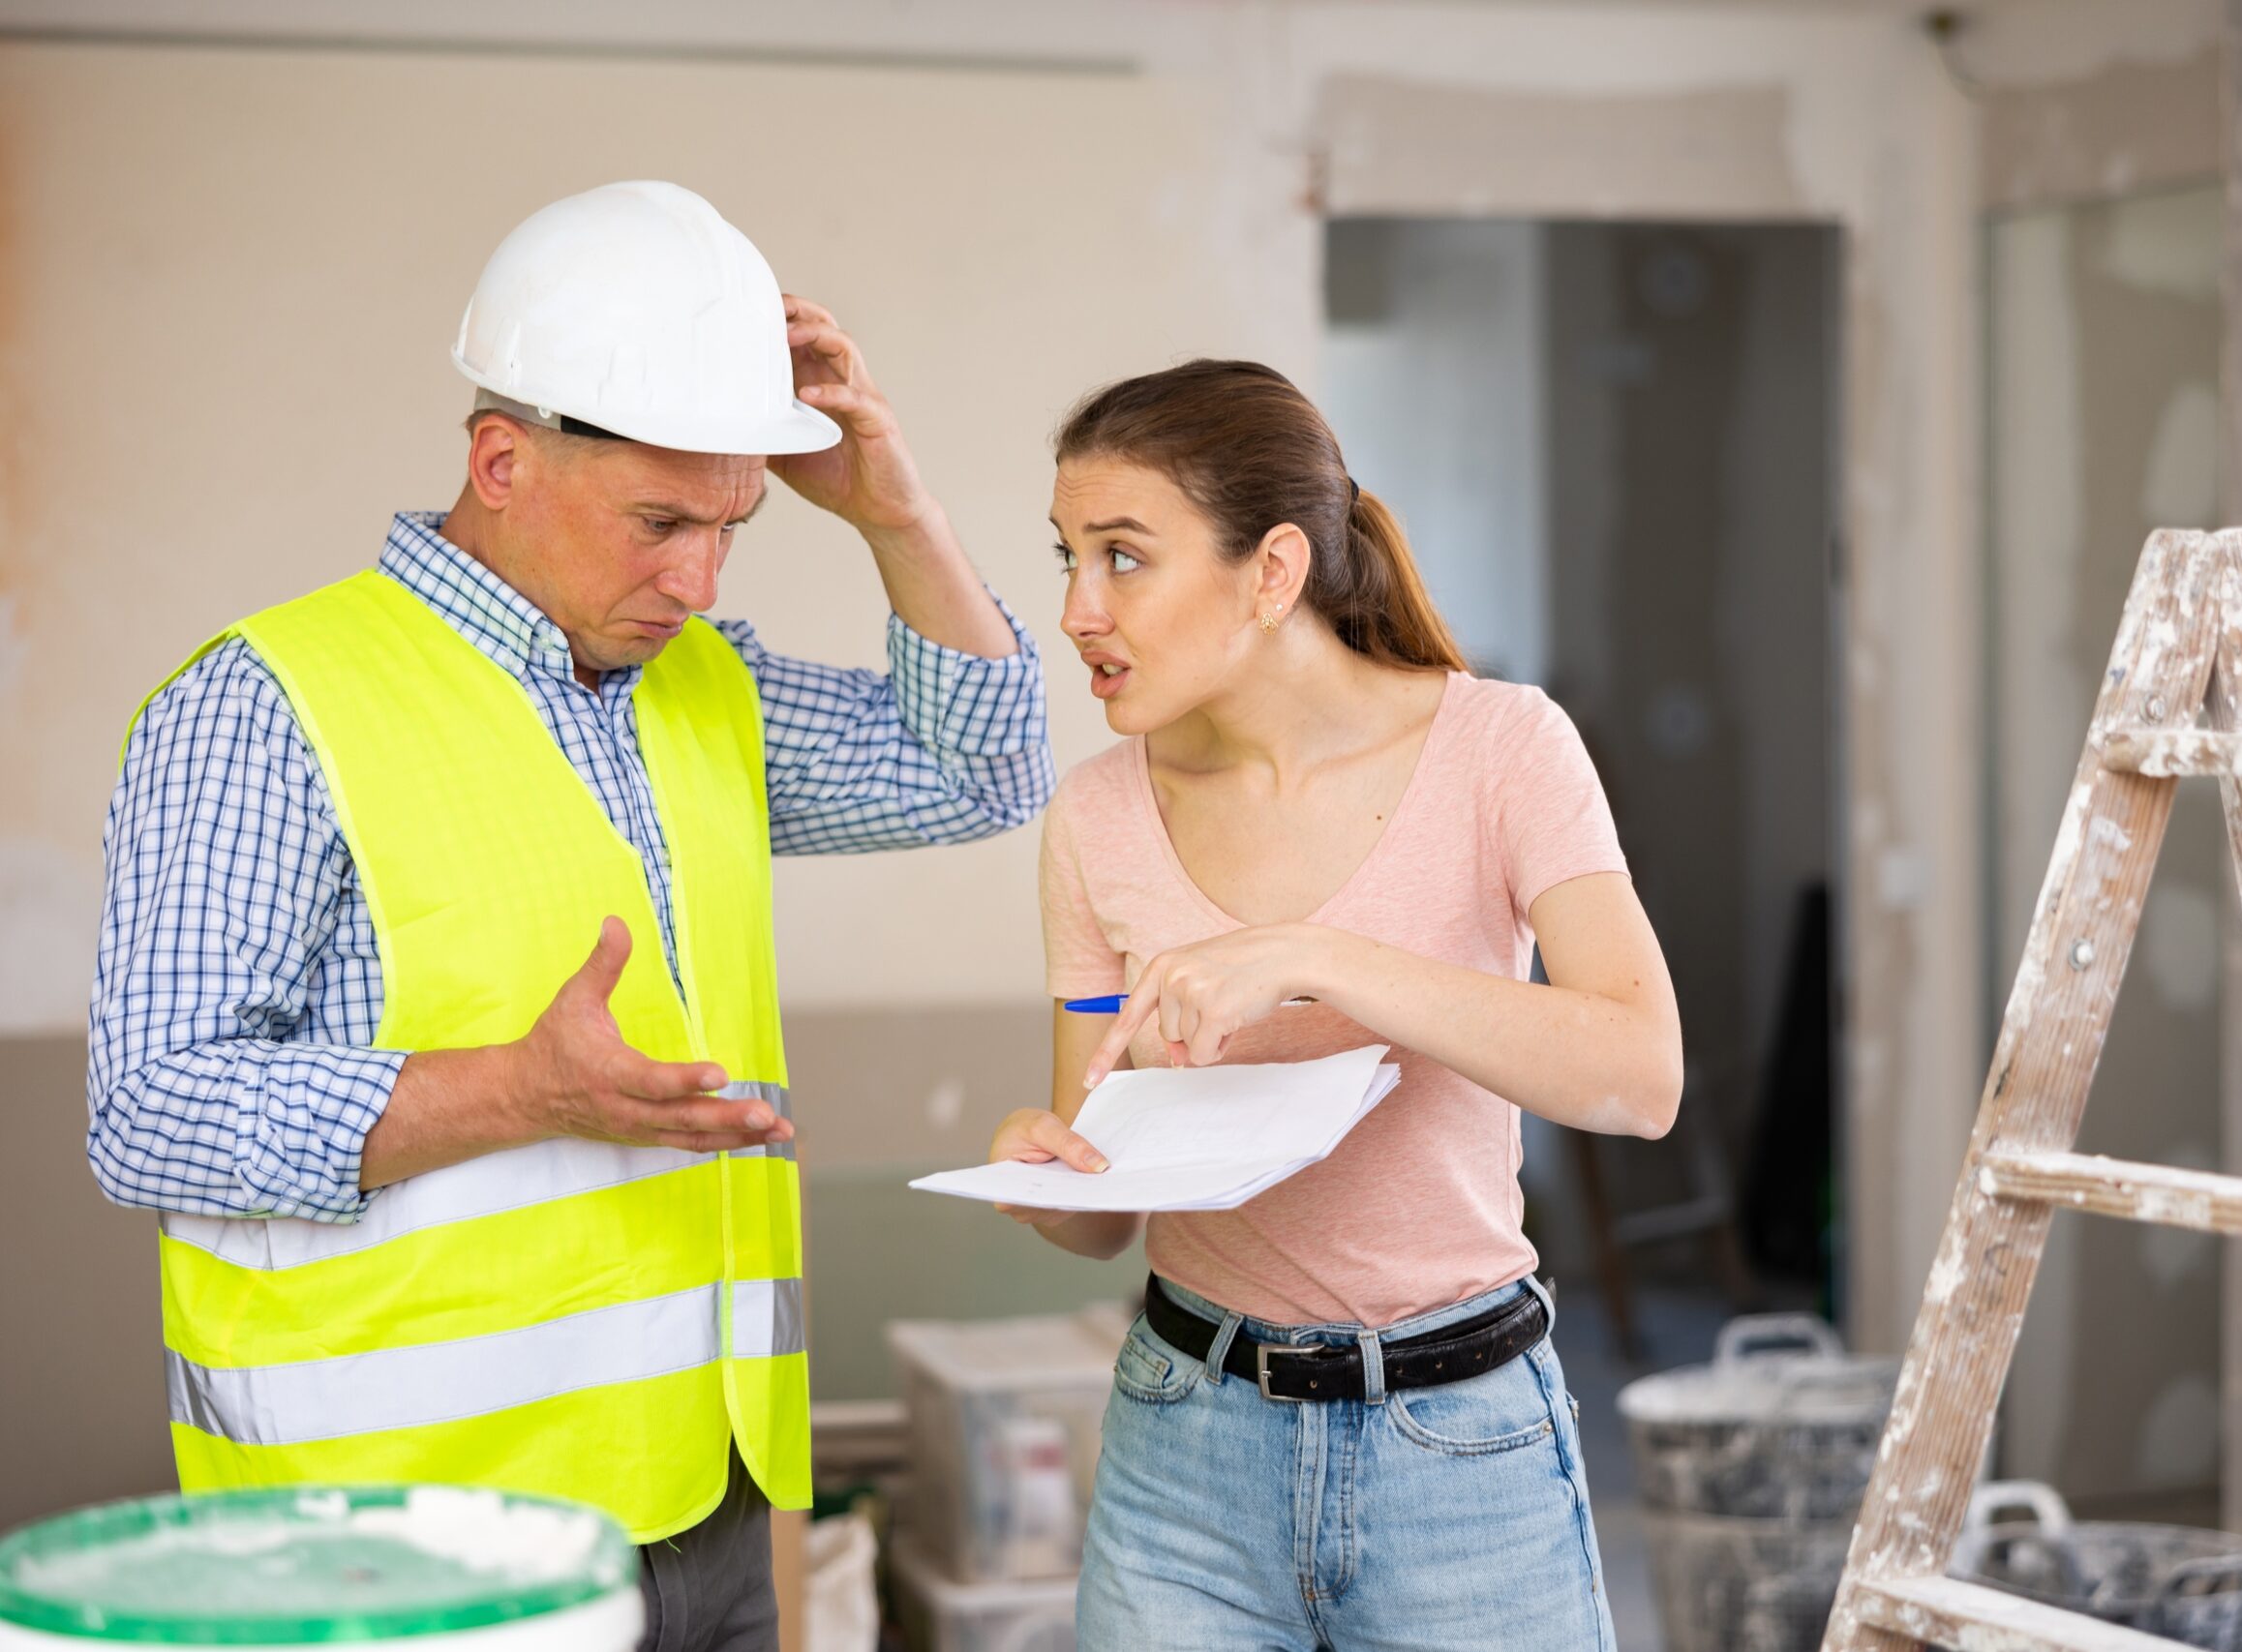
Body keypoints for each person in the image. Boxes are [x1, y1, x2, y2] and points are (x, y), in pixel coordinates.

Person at [86, 181, 1053, 1652]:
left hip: (711, 1507)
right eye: (659, 522)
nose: (697, 581)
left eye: (731, 526)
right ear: (501, 462)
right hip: (400, 1547)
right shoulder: (264, 709)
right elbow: (149, 1111)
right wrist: (519, 1091)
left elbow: (985, 770)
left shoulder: (704, 687)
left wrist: (896, 514)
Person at [985, 359, 1683, 1650]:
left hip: (1461, 1452)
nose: (1079, 608)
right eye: (1068, 557)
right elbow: (1103, 1210)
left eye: (1124, 556)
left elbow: (1639, 1075)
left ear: (1272, 572)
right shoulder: (1095, 816)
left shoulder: (1504, 749)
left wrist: (1322, 958)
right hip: (1183, 1453)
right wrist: (1047, 1177)